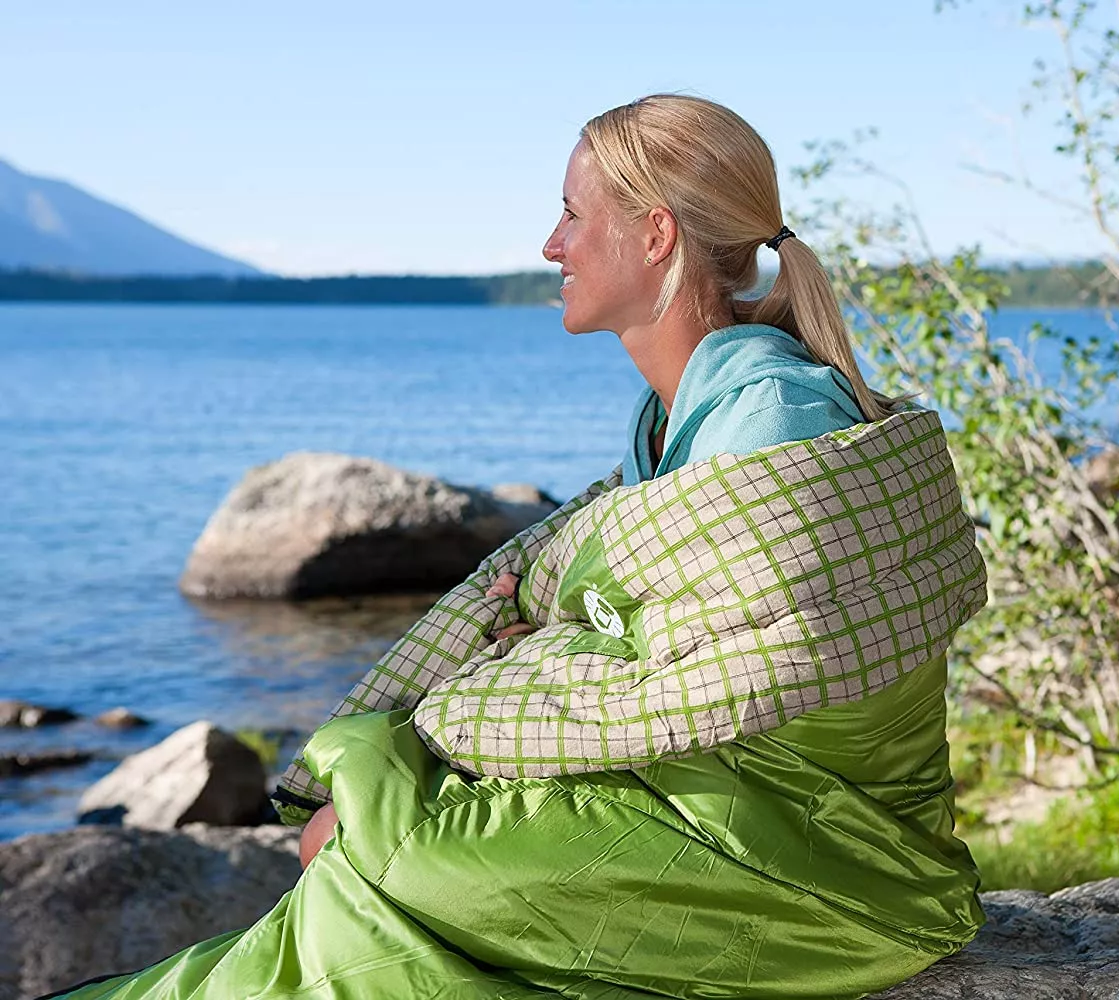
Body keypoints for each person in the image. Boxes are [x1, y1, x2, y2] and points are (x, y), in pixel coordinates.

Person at [53, 95, 989, 1000]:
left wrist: (492, 693)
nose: (552, 245)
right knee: (365, 850)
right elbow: (668, 659)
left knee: (383, 849)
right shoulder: (671, 423)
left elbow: (716, 675)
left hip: (824, 854)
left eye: (574, 214)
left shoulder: (772, 418)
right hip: (723, 800)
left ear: (655, 235)